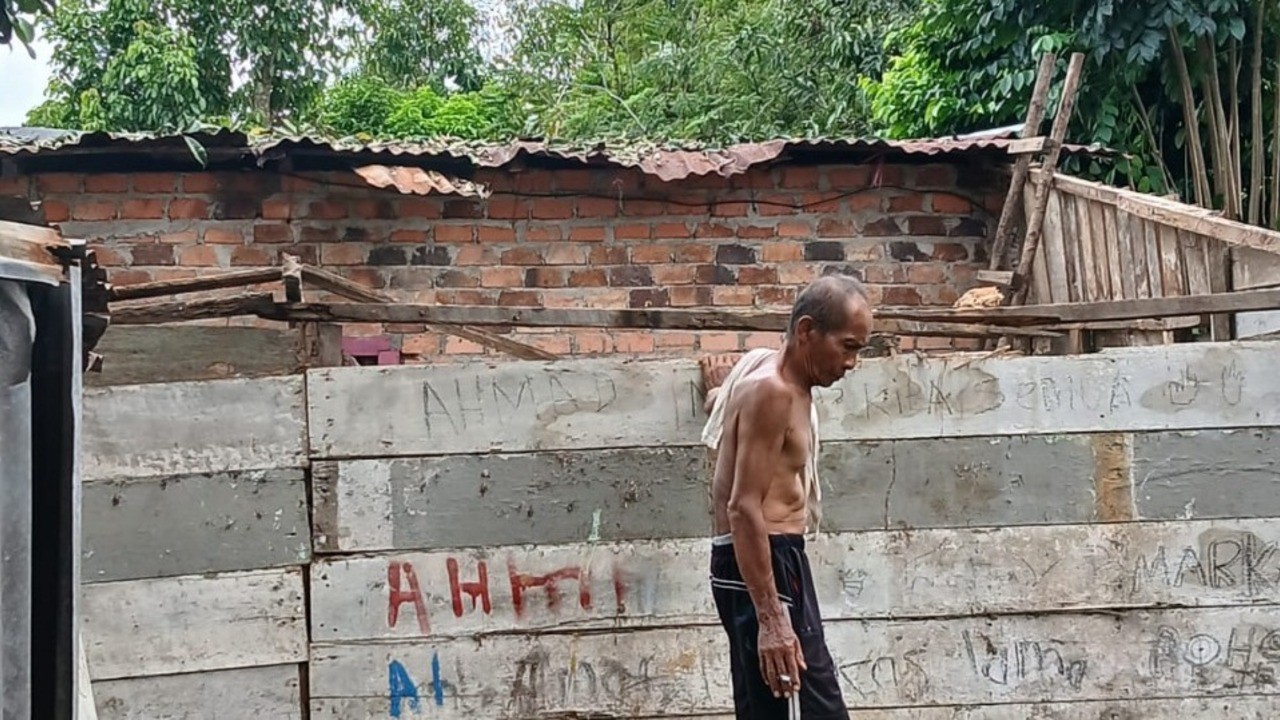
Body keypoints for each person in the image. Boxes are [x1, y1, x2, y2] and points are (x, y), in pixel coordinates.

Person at [704, 273, 872, 719]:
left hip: (772, 560)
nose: (852, 363)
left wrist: (714, 391)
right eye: (848, 346)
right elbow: (742, 508)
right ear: (806, 332)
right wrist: (772, 619)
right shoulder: (773, 391)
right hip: (764, 561)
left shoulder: (765, 371)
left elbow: (728, 414)